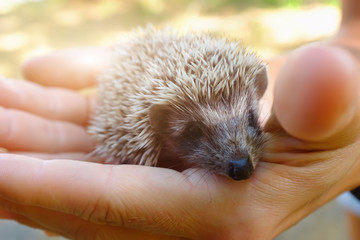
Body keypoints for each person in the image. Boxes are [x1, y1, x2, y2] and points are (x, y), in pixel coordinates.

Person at [0, 0, 359, 239]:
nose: (239, 159)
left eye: (248, 122)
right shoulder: (142, 130)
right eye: (197, 133)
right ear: (159, 125)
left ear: (259, 89)